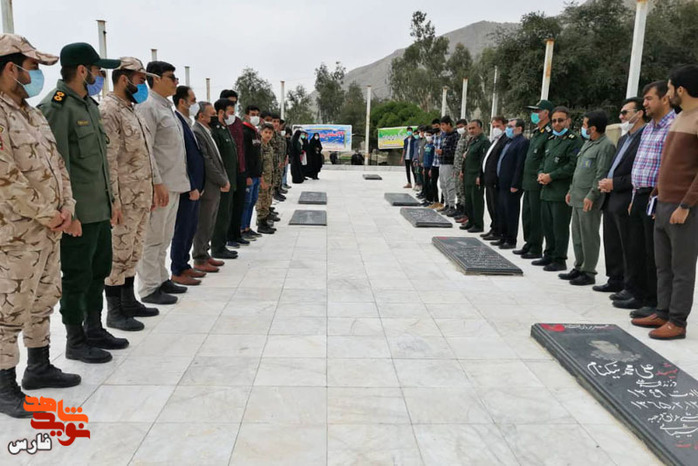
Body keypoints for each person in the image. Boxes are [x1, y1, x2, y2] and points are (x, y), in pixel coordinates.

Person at [0, 34, 81, 418]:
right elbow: (6, 176)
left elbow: (57, 165)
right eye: (32, 68)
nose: (36, 76)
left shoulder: (30, 113)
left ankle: (39, 366)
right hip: (15, 233)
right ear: (11, 68)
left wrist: (67, 208)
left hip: (48, 229)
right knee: (9, 309)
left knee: (44, 299)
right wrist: (47, 212)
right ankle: (3, 386)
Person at [39, 43, 122, 363]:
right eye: (98, 70)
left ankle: (94, 328)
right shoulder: (57, 107)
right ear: (83, 70)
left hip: (98, 209)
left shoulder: (88, 105)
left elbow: (99, 162)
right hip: (78, 215)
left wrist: (112, 201)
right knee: (76, 276)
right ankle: (75, 340)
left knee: (98, 270)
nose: (101, 76)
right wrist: (68, 212)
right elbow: (56, 166)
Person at [632, 65, 698, 340]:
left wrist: (686, 205)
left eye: (669, 89)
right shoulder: (681, 118)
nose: (668, 94)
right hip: (663, 203)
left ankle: (677, 321)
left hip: (684, 207)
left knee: (682, 268)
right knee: (663, 265)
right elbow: (669, 161)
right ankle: (662, 311)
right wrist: (657, 192)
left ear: (680, 89)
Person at [100, 57, 161, 333]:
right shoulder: (109, 111)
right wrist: (113, 201)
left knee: (133, 251)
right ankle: (114, 311)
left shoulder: (132, 110)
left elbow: (146, 154)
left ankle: (128, 301)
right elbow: (109, 160)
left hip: (140, 196)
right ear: (124, 79)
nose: (143, 85)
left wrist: (154, 186)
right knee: (118, 254)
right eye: (141, 79)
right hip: (123, 199)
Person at [614, 81, 676, 316]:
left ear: (665, 99)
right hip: (639, 195)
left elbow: (668, 166)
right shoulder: (649, 128)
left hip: (656, 196)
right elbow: (640, 164)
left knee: (653, 253)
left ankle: (654, 301)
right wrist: (633, 197)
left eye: (649, 99)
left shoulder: (673, 126)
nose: (645, 103)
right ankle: (638, 293)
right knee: (637, 248)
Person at [136, 61, 189, 305]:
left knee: (165, 237)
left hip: (174, 183)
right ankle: (149, 287)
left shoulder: (167, 108)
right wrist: (156, 183)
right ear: (155, 78)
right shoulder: (148, 107)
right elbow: (147, 150)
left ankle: (161, 278)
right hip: (160, 186)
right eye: (171, 77)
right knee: (152, 238)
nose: (176, 82)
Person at [595, 98, 646, 294]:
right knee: (612, 242)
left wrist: (615, 183)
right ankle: (614, 278)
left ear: (639, 113)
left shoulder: (644, 138)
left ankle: (629, 284)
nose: (621, 116)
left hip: (627, 198)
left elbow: (641, 173)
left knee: (629, 245)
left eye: (625, 112)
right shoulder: (624, 139)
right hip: (611, 197)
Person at [560, 110, 615, 286]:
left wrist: (592, 195)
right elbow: (579, 171)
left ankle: (589, 271)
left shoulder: (605, 146)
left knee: (588, 235)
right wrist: (571, 190)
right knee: (577, 235)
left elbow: (601, 173)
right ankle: (579, 266)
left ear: (593, 128)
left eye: (585, 125)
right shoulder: (588, 143)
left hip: (589, 198)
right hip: (577, 195)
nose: (582, 128)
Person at [533, 106, 583, 272]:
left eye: (560, 120)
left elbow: (572, 165)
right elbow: (543, 161)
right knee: (547, 226)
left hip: (560, 191)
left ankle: (559, 259)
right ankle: (548, 254)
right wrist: (541, 173)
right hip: (546, 190)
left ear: (568, 121)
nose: (556, 124)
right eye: (554, 121)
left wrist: (551, 176)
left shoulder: (574, 140)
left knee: (559, 228)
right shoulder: (551, 139)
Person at [192, 101, 230, 271]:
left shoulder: (208, 131)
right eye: (212, 114)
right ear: (201, 116)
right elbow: (207, 161)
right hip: (208, 185)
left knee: (210, 222)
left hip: (214, 186)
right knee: (203, 223)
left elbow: (217, 159)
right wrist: (222, 180)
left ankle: (205, 253)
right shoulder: (197, 131)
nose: (215, 117)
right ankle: (199, 258)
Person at [516, 100, 554, 259]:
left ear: (546, 113)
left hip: (537, 181)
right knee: (527, 214)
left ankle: (536, 246)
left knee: (536, 216)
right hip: (528, 181)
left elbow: (546, 158)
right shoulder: (537, 132)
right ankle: (529, 242)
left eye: (537, 111)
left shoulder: (549, 133)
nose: (534, 114)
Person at [210, 98, 240, 259]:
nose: (232, 116)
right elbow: (216, 158)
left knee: (226, 214)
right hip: (222, 181)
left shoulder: (225, 129)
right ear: (221, 112)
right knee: (220, 215)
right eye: (230, 112)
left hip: (230, 179)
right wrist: (222, 179)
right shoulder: (215, 131)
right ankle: (217, 248)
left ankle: (222, 245)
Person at [219, 90, 249, 248]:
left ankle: (236, 234)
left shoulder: (237, 122)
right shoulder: (216, 124)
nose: (232, 106)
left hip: (240, 169)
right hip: (226, 171)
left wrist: (245, 170)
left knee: (239, 204)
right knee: (226, 207)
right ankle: (226, 237)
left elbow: (242, 147)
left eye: (234, 103)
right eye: (229, 103)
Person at [494, 118, 529, 249]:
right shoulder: (509, 141)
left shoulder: (523, 142)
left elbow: (520, 165)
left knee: (511, 212)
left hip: (511, 185)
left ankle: (510, 239)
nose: (508, 129)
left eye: (510, 126)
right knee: (502, 211)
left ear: (519, 128)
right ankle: (503, 236)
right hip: (502, 182)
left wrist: (515, 184)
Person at [479, 116, 509, 238]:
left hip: (495, 179)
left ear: (504, 126)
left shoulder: (505, 140)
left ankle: (498, 230)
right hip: (488, 179)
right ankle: (494, 227)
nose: (495, 129)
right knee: (491, 206)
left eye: (498, 126)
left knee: (496, 207)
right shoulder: (495, 140)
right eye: (493, 126)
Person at [460, 120, 490, 232]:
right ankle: (470, 221)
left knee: (476, 201)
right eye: (469, 128)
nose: (471, 131)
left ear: (480, 128)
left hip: (475, 175)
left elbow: (483, 160)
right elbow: (467, 157)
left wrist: (479, 175)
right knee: (468, 200)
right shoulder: (472, 140)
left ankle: (478, 224)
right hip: (468, 174)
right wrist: (462, 171)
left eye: (473, 128)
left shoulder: (484, 141)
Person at [241, 105, 263, 238]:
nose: (255, 117)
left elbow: (257, 155)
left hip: (256, 175)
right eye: (252, 114)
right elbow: (244, 156)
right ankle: (242, 229)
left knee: (252, 202)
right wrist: (247, 175)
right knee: (246, 203)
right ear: (246, 116)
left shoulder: (256, 133)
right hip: (248, 176)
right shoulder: (244, 132)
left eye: (257, 114)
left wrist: (259, 173)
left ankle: (247, 227)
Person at [256, 123, 277, 234]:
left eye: (270, 133)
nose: (268, 135)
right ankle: (261, 223)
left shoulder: (269, 146)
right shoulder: (260, 146)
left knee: (267, 199)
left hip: (269, 178)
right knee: (262, 201)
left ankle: (265, 221)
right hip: (263, 179)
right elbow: (258, 164)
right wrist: (262, 180)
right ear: (261, 132)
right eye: (266, 132)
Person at [437, 116, 459, 215]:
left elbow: (455, 151)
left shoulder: (455, 135)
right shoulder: (444, 135)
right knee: (442, 185)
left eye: (443, 125)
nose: (442, 127)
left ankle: (451, 205)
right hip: (442, 162)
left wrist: (443, 152)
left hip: (449, 163)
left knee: (450, 185)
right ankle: (446, 204)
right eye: (441, 125)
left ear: (449, 124)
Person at [449, 119, 468, 218]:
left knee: (462, 191)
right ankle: (459, 208)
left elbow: (465, 156)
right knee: (458, 190)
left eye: (461, 127)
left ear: (466, 126)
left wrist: (462, 170)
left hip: (462, 170)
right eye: (458, 127)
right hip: (456, 168)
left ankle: (463, 211)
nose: (459, 129)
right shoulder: (461, 138)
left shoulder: (468, 138)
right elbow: (457, 155)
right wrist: (454, 168)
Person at [421, 130, 436, 206]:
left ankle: (431, 199)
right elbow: (425, 156)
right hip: (426, 166)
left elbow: (433, 158)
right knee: (426, 183)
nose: (428, 137)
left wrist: (431, 168)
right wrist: (424, 168)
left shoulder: (433, 146)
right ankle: (426, 198)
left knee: (430, 184)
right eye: (427, 135)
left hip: (430, 167)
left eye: (429, 135)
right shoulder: (427, 145)